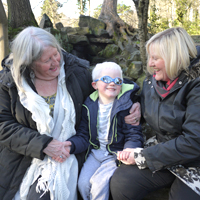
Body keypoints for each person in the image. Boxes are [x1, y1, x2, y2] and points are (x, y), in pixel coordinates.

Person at [0, 26, 139, 200]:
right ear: (29, 62)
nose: (56, 62)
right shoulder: (9, 83)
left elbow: (110, 83)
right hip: (23, 158)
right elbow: (3, 125)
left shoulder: (76, 72)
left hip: (71, 152)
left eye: (56, 54)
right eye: (47, 60)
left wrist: (133, 99)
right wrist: (43, 144)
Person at [110, 27, 200, 200]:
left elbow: (194, 142)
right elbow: (157, 107)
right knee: (122, 182)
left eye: (155, 58)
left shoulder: (196, 84)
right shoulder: (153, 80)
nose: (149, 63)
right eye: (150, 57)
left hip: (195, 160)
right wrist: (137, 105)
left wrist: (142, 156)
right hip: (163, 149)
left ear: (173, 57)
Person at [67, 62, 144, 200]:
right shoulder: (88, 105)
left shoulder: (126, 106)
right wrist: (71, 145)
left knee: (98, 185)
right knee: (83, 183)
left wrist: (129, 150)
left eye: (117, 80)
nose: (112, 83)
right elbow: (83, 134)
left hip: (115, 154)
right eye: (106, 79)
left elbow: (133, 133)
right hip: (95, 152)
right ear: (94, 85)